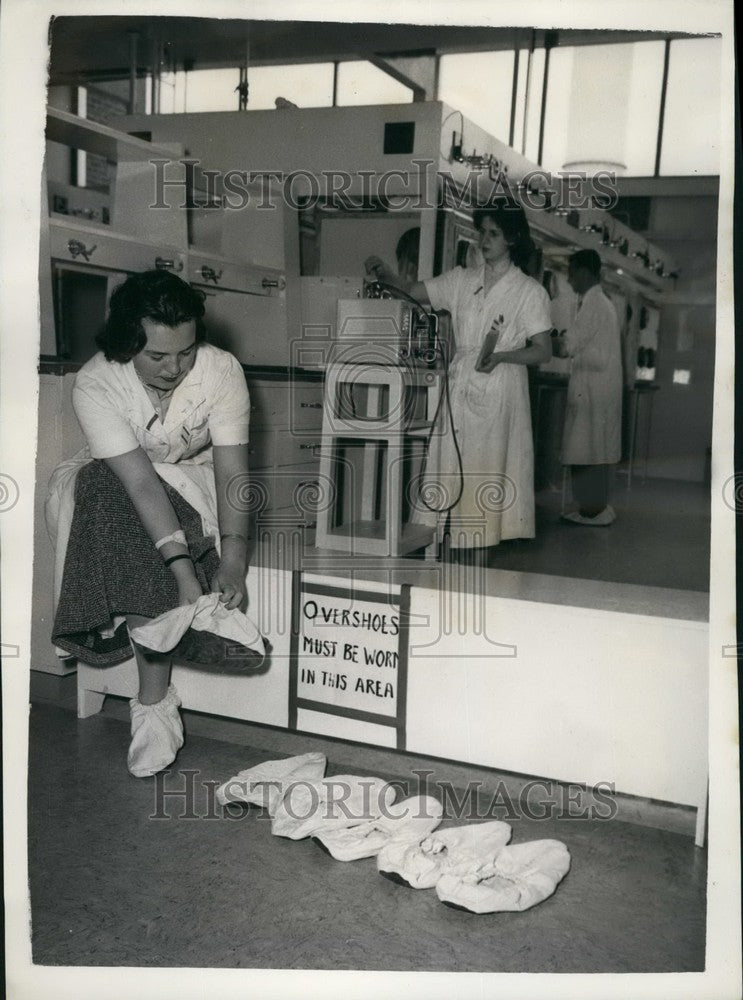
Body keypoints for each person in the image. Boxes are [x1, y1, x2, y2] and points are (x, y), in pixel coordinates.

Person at [46, 269, 252, 777]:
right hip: (118, 486)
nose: (175, 368)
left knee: (124, 504)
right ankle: (156, 702)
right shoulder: (96, 381)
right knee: (103, 486)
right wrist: (184, 573)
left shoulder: (221, 370)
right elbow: (138, 482)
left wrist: (234, 557)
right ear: (124, 344)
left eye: (185, 352)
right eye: (157, 356)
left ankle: (153, 700)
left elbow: (232, 471)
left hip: (193, 481)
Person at [365, 198, 552, 556]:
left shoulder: (529, 291)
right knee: (446, 476)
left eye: (494, 233)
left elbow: (543, 350)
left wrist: (501, 356)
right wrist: (385, 273)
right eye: (481, 231)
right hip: (460, 384)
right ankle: (444, 568)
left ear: (511, 239)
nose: (485, 240)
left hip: (499, 390)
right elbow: (412, 291)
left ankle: (478, 571)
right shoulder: (462, 280)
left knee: (483, 484)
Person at [558, 249, 622, 526]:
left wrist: (543, 342)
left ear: (585, 272)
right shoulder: (599, 302)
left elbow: (569, 345)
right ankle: (591, 509)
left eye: (572, 273)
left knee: (586, 452)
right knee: (591, 451)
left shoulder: (594, 303)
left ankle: (592, 512)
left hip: (593, 392)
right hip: (597, 390)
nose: (570, 279)